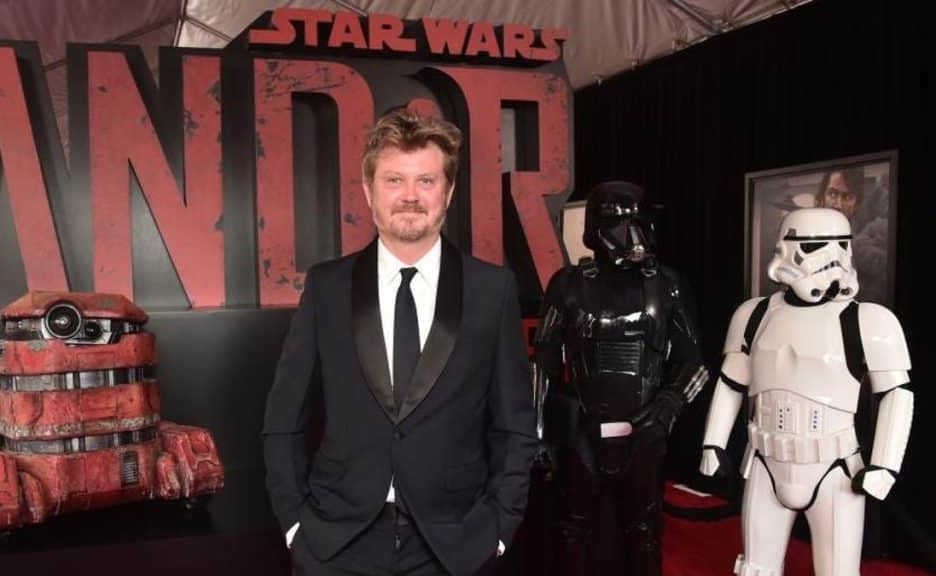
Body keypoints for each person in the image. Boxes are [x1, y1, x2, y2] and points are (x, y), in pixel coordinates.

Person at [262, 108, 537, 576]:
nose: (410, 197)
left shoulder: (493, 290)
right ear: (369, 192)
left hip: (454, 547)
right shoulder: (328, 287)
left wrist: (497, 530)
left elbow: (514, 426)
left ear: (448, 193)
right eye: (394, 180)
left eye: (426, 181)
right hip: (335, 544)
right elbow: (284, 417)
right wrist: (295, 526)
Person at [699, 208, 913, 575]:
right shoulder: (753, 314)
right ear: (786, 248)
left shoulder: (869, 321)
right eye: (815, 245)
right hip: (767, 462)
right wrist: (712, 443)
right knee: (755, 569)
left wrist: (885, 466)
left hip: (834, 469)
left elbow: (896, 393)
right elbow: (731, 382)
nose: (832, 258)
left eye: (842, 245)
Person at [532, 181, 708, 575]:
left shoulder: (667, 284)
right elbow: (543, 359)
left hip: (644, 429)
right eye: (618, 222)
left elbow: (694, 363)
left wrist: (668, 405)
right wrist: (539, 429)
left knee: (644, 532)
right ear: (596, 228)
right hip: (582, 429)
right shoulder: (568, 284)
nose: (632, 234)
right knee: (572, 530)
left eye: (639, 221)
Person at [815, 168, 889, 304]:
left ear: (856, 204)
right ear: (822, 196)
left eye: (847, 197)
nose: (837, 205)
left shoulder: (864, 246)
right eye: (832, 194)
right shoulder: (808, 235)